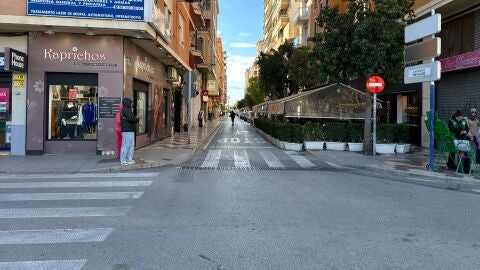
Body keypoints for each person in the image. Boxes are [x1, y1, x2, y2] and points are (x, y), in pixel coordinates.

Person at [120, 98, 139, 166]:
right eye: (131, 102)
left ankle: (129, 159)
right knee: (126, 145)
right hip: (127, 130)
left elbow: (130, 118)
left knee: (130, 146)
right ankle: (123, 160)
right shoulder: (126, 109)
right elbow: (131, 118)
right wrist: (137, 119)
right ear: (127, 102)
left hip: (129, 130)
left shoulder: (127, 109)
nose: (131, 103)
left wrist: (135, 118)